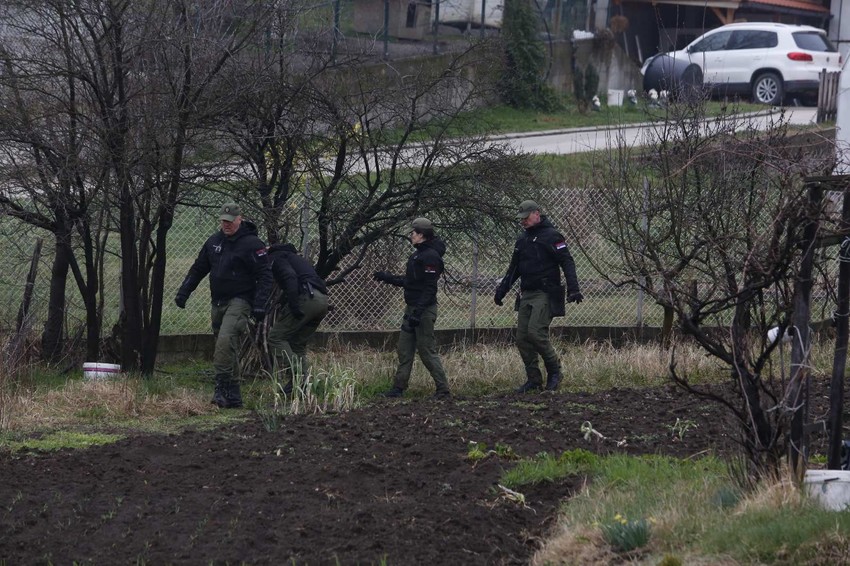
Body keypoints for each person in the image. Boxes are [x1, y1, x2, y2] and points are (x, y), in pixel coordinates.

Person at [175, 202, 273, 408]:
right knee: (228, 349)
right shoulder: (214, 242)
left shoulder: (252, 244)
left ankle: (220, 391)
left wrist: (260, 304)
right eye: (223, 221)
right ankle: (234, 395)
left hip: (240, 300)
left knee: (224, 344)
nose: (226, 225)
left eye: (230, 221)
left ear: (240, 219)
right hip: (217, 302)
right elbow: (198, 269)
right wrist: (184, 292)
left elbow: (265, 275)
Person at [494, 200, 582, 392]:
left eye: (526, 217)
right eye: (521, 219)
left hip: (546, 292)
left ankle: (555, 371)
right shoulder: (522, 241)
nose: (523, 222)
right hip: (527, 293)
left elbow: (567, 261)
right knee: (522, 338)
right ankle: (534, 380)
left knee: (535, 333)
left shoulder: (552, 236)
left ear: (537, 214)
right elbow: (514, 269)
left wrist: (574, 288)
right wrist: (502, 291)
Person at [373, 218, 451, 399]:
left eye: (413, 233)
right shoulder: (417, 255)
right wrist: (388, 278)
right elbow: (411, 282)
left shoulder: (430, 256)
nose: (411, 236)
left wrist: (418, 311)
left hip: (423, 310)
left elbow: (430, 288)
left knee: (426, 350)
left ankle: (443, 389)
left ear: (421, 235)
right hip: (412, 309)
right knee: (404, 349)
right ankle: (398, 388)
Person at [266, 242, 329, 395]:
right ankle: (300, 387)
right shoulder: (293, 257)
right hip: (321, 300)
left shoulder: (277, 257)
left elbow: (290, 277)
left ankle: (300, 377)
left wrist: (293, 304)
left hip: (306, 299)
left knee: (276, 338)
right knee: (297, 344)